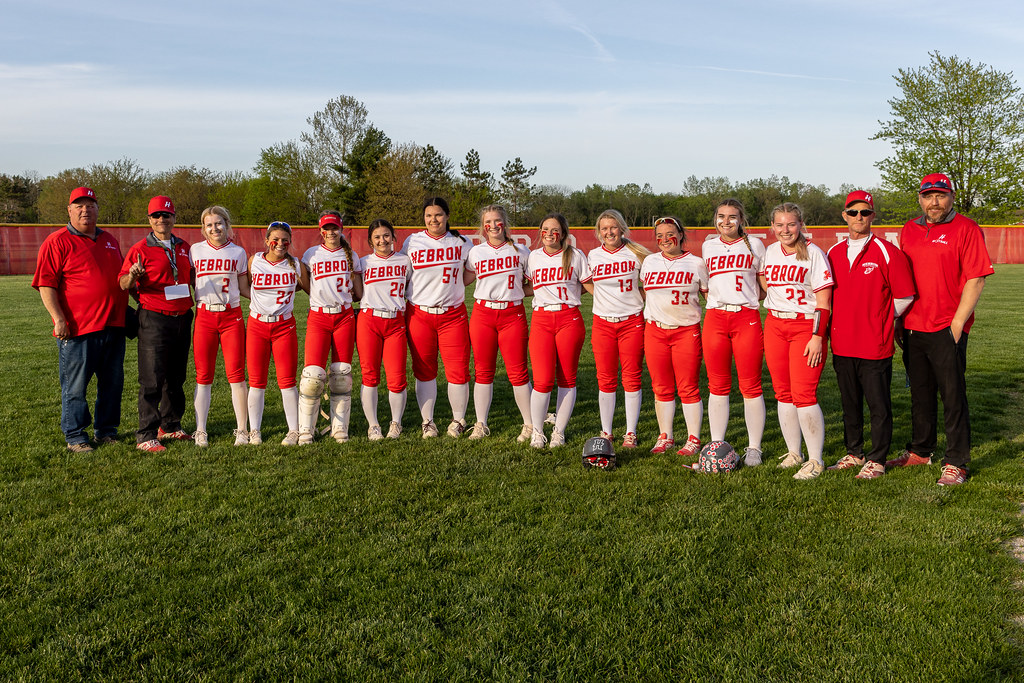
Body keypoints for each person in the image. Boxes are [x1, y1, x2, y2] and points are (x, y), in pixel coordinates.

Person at [889, 173, 994, 486]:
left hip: (947, 326)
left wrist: (958, 323)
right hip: (912, 325)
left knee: (952, 396)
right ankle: (921, 450)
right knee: (920, 394)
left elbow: (976, 278)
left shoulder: (966, 228)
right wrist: (898, 320)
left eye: (940, 195)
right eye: (928, 196)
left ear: (951, 197)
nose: (934, 202)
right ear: (920, 198)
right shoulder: (909, 229)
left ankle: (957, 461)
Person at [826, 191, 915, 479]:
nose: (859, 218)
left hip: (874, 344)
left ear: (873, 216)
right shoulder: (833, 254)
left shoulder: (887, 251)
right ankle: (854, 452)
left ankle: (877, 458)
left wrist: (881, 320)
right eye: (853, 213)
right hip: (841, 343)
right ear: (844, 216)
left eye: (865, 212)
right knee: (849, 404)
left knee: (878, 405)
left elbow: (905, 295)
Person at [33, 187, 128, 452]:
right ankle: (75, 435)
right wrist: (58, 319)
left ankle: (106, 430)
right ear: (70, 210)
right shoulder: (57, 240)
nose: (85, 210)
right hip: (78, 328)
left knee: (112, 384)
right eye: (79, 206)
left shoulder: (109, 239)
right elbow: (46, 284)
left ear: (98, 209)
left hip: (112, 325)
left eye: (90, 205)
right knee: (75, 387)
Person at [759, 202, 834, 480]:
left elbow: (824, 301)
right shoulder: (770, 251)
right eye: (779, 225)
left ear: (801, 224)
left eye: (791, 224)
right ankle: (794, 452)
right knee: (783, 393)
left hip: (805, 326)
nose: (785, 230)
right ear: (772, 227)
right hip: (776, 324)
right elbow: (768, 284)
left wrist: (817, 336)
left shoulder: (813, 253)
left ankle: (816, 459)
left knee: (804, 394)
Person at [119, 195, 194, 453]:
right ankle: (145, 435)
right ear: (149, 220)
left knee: (176, 377)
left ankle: (170, 426)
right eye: (156, 216)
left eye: (167, 215)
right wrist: (132, 275)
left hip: (183, 316)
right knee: (152, 378)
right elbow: (122, 284)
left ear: (174, 218)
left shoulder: (184, 246)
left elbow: (193, 277)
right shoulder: (140, 248)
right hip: (154, 317)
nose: (162, 219)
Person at [701, 199, 768, 465]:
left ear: (741, 219)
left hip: (745, 318)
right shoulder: (708, 246)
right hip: (716, 318)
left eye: (732, 217)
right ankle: (717, 442)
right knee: (717, 385)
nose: (726, 221)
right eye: (721, 216)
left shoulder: (755, 245)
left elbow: (764, 286)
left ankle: (754, 447)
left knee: (750, 385)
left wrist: (746, 299)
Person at [401, 197, 472, 438]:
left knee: (458, 370)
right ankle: (427, 421)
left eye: (439, 214)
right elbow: (405, 274)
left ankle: (458, 419)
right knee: (424, 370)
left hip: (452, 314)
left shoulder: (462, 242)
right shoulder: (413, 241)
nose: (434, 219)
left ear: (447, 216)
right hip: (420, 313)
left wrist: (454, 288)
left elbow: (471, 272)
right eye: (429, 215)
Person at [640, 217, 708, 456]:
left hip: (685, 330)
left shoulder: (696, 263)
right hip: (655, 330)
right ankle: (665, 435)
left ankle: (693, 438)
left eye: (670, 233)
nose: (664, 239)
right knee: (661, 387)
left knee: (688, 387)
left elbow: (709, 296)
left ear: (680, 235)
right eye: (660, 234)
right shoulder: (649, 261)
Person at [464, 205, 534, 440]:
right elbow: (465, 279)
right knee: (483, 372)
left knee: (518, 372)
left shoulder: (521, 251)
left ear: (505, 223)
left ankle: (530, 424)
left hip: (512, 314)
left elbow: (536, 282)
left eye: (497, 221)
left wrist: (516, 292)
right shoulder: (476, 253)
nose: (493, 226)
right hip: (482, 314)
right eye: (488, 222)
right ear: (482, 227)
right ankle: (481, 423)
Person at [527, 213, 594, 448]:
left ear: (563, 233)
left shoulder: (575, 255)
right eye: (545, 229)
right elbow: (527, 286)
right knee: (542, 380)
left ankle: (558, 431)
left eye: (554, 229)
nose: (549, 233)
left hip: (569, 319)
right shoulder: (533, 257)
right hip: (542, 319)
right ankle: (537, 431)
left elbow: (587, 285)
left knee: (567, 379)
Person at [297, 212, 363, 444]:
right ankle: (306, 428)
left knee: (341, 374)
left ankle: (339, 427)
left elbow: (359, 293)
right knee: (312, 376)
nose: (331, 232)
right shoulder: (311, 254)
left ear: (341, 229)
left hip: (344, 316)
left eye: (335, 228)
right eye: (327, 228)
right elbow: (305, 282)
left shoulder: (351, 255)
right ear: (321, 231)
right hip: (319, 317)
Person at [588, 209, 650, 448]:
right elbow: (587, 284)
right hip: (603, 322)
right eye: (604, 228)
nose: (609, 232)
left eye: (613, 227)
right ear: (598, 232)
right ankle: (606, 431)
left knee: (632, 377)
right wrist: (605, 299)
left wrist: (635, 301)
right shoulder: (593, 255)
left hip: (631, 321)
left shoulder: (638, 254)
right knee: (605, 378)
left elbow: (650, 286)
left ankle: (630, 432)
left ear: (622, 228)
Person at [190, 206, 251, 447]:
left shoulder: (238, 252)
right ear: (203, 229)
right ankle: (200, 430)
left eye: (218, 223)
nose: (214, 228)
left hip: (230, 316)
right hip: (204, 316)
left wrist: (272, 295)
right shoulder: (195, 250)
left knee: (236, 375)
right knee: (203, 376)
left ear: (227, 224)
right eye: (209, 225)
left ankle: (243, 430)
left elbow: (245, 288)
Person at [246, 221, 310, 446]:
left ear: (290, 242)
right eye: (275, 239)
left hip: (284, 326)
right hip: (257, 324)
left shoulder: (295, 265)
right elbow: (246, 287)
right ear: (266, 241)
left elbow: (308, 288)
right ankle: (254, 430)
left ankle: (294, 430)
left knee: (287, 381)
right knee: (256, 381)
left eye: (285, 240)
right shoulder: (254, 261)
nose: (280, 244)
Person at [357, 219, 411, 440]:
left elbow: (409, 287)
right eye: (377, 236)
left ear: (393, 236)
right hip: (369, 321)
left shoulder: (405, 261)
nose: (382, 240)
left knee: (397, 377)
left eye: (386, 235)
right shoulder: (363, 262)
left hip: (395, 322)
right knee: (369, 375)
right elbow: (359, 293)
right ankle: (373, 425)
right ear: (370, 240)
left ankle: (395, 423)